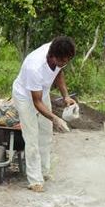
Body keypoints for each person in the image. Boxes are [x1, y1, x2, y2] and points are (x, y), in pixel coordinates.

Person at [12, 36, 76, 193]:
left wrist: (66, 96)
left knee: (46, 132)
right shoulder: (34, 67)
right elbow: (37, 102)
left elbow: (58, 73)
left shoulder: (58, 52)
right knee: (32, 136)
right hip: (25, 96)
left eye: (67, 61)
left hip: (42, 92)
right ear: (52, 56)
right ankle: (35, 180)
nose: (64, 63)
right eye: (62, 61)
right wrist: (55, 118)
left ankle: (44, 171)